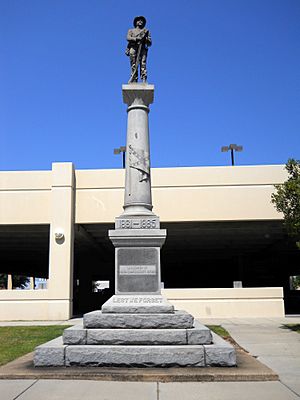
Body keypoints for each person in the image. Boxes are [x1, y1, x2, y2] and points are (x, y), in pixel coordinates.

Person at [126, 16, 152, 83]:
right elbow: (128, 38)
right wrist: (137, 39)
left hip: (142, 48)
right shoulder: (131, 30)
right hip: (133, 48)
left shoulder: (146, 31)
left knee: (143, 63)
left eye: (142, 20)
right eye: (139, 20)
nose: (140, 21)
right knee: (133, 63)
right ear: (136, 22)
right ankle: (134, 77)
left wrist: (145, 39)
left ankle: (144, 78)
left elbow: (149, 43)